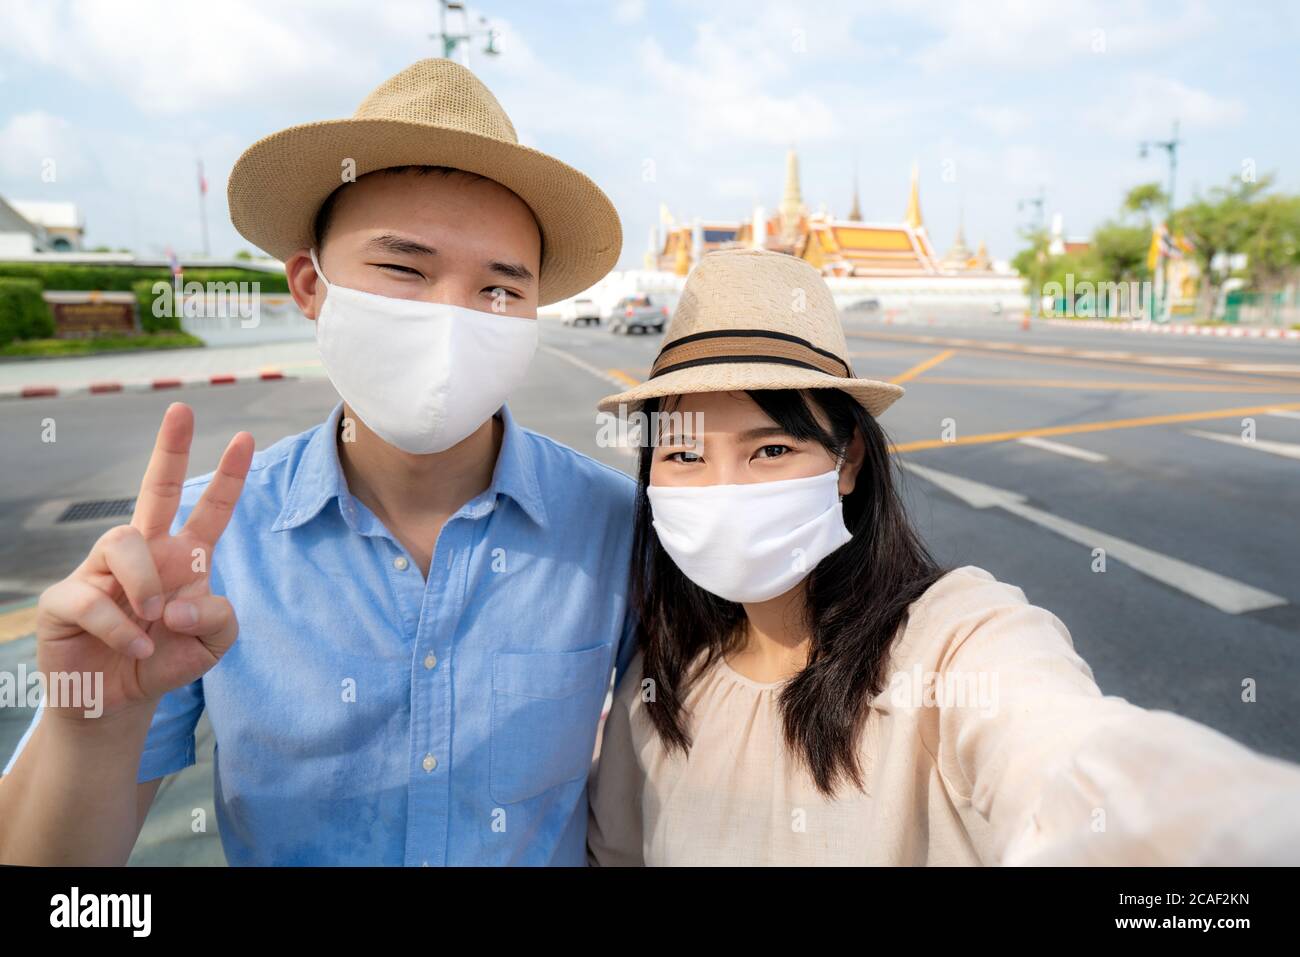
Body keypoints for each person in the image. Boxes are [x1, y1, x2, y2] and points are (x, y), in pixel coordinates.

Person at [0, 59, 636, 866]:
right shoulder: (201, 548)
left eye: (501, 290)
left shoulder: (614, 525)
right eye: (405, 268)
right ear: (311, 284)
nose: (451, 316)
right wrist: (88, 725)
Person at [586, 247, 1300, 866]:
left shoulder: (953, 644)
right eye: (683, 453)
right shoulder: (661, 685)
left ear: (847, 460)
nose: (724, 489)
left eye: (771, 448)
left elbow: (1071, 758)